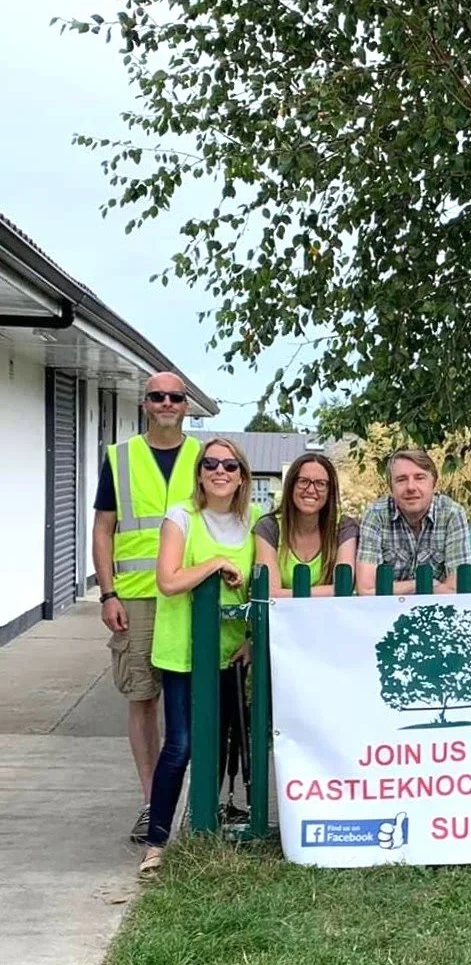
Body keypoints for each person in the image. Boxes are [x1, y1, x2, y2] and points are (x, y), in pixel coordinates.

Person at [138, 438, 259, 875]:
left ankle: (208, 827)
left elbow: (256, 588)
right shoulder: (181, 517)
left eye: (230, 464)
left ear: (242, 475)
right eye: (211, 463)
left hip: (229, 653)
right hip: (184, 653)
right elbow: (168, 580)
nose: (220, 471)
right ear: (200, 472)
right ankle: (157, 841)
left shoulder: (255, 521)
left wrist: (251, 637)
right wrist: (215, 563)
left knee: (224, 744)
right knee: (182, 745)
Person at [91, 372, 202, 842]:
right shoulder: (120, 457)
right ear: (145, 404)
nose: (166, 403)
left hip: (193, 593)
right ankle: (150, 802)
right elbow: (103, 529)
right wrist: (107, 591)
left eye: (174, 397)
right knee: (143, 698)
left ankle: (196, 804)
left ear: (185, 406)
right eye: (157, 396)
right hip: (136, 597)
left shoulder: (205, 458)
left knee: (197, 700)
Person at [355, 449, 471, 595]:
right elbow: (366, 590)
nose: (411, 487)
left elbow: (457, 588)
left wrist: (396, 589)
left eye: (419, 477)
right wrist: (426, 584)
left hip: (437, 611)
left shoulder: (452, 514)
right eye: (401, 479)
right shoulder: (375, 515)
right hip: (385, 612)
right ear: (391, 487)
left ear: (433, 482)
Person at [254, 453, 358, 596]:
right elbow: (271, 594)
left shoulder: (344, 527)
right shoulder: (269, 527)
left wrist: (287, 594)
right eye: (303, 481)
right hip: (282, 617)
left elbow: (343, 588)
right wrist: (325, 592)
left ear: (330, 491)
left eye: (320, 483)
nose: (310, 490)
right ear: (291, 485)